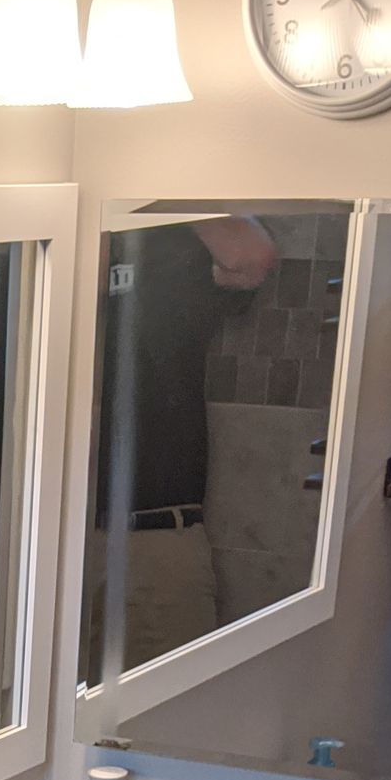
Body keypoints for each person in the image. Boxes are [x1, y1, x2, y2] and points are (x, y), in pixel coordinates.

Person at [89, 215, 278, 679]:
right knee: (32, 730)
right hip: (46, 544)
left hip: (155, 540)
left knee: (165, 719)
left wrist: (158, 184)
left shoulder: (176, 236)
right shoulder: (37, 244)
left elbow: (250, 259)